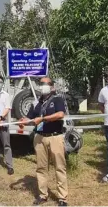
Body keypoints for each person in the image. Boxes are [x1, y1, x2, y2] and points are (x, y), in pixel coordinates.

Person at [19, 77, 68, 206]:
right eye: (40, 84)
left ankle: (62, 198)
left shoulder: (57, 99)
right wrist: (23, 121)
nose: (41, 86)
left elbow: (60, 115)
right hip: (39, 137)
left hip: (55, 137)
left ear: (52, 87)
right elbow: (29, 117)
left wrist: (42, 119)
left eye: (44, 84)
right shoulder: (37, 102)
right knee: (41, 168)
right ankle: (43, 195)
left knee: (59, 167)